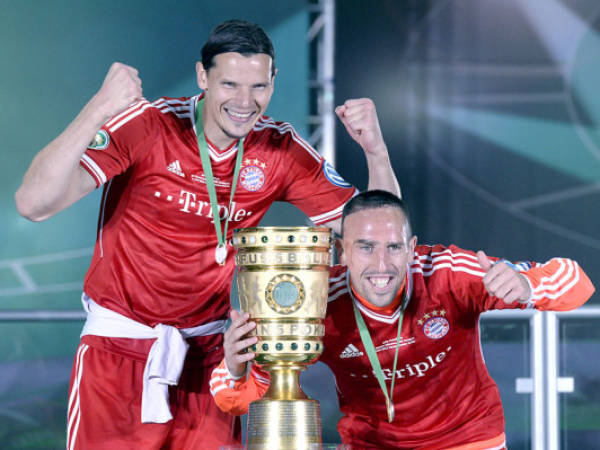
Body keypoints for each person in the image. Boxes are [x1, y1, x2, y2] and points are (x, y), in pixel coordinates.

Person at [14, 20, 399, 450]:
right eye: (230, 84)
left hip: (211, 363)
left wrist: (376, 151)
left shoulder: (279, 148)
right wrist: (99, 107)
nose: (244, 102)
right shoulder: (149, 125)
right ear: (203, 78)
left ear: (273, 84)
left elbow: (383, 239)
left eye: (258, 87)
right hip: (118, 354)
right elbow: (33, 203)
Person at [211, 189, 595, 450]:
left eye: (394, 247)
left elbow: (577, 281)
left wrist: (527, 286)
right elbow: (238, 400)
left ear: (411, 248)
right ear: (342, 251)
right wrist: (235, 366)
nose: (382, 265)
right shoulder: (316, 303)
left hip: (468, 440)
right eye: (366, 248)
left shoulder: (446, 272)